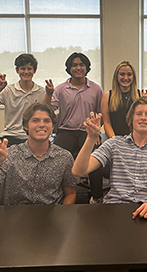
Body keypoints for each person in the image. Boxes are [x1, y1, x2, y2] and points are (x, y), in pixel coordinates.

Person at [72, 97, 147, 219]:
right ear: (131, 119)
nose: (143, 117)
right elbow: (78, 171)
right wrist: (91, 138)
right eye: (138, 114)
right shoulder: (114, 144)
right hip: (115, 208)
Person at [0, 103, 78, 205]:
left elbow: (71, 193)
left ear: (52, 127)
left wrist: (62, 215)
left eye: (47, 121)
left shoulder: (64, 157)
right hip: (14, 216)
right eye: (35, 120)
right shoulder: (10, 155)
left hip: (51, 216)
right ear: (26, 126)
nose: (41, 125)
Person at [43, 52, 104, 203]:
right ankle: (53, 195)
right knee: (53, 159)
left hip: (88, 132)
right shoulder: (61, 89)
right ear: (69, 69)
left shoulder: (96, 89)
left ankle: (96, 197)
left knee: (97, 157)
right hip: (66, 131)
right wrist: (48, 94)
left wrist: (96, 133)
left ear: (87, 68)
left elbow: (101, 114)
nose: (78, 68)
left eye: (81, 64)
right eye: (74, 65)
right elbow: (47, 110)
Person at [0, 54, 48, 147]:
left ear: (34, 71)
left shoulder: (41, 91)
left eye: (29, 69)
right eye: (23, 69)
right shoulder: (9, 90)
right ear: (17, 70)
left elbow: (47, 114)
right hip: (10, 137)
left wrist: (50, 94)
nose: (26, 72)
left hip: (32, 137)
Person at [101, 61, 140, 137]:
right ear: (116, 76)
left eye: (129, 74)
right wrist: (115, 141)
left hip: (135, 139)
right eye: (122, 74)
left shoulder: (140, 96)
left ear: (133, 77)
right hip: (114, 138)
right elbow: (107, 123)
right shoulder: (107, 97)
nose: (126, 78)